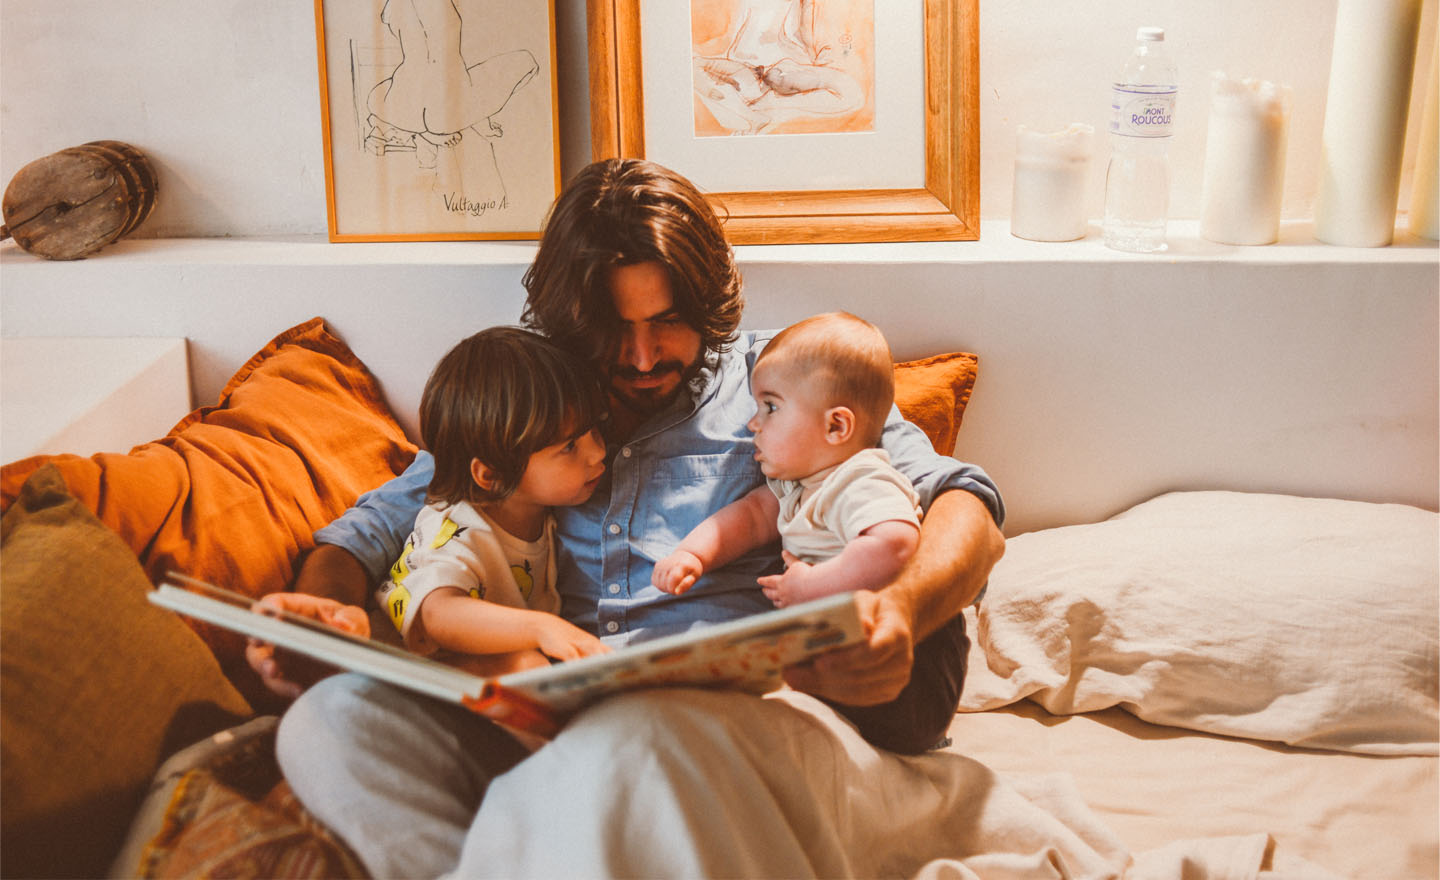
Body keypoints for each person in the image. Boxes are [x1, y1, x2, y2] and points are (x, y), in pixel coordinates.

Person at [259, 158, 1006, 879]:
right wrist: (326, 607)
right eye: (615, 329)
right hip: (544, 727)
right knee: (329, 722)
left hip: (724, 730)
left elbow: (966, 507)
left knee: (637, 742)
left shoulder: (787, 386)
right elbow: (366, 532)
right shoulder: (530, 401)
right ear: (571, 321)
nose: (644, 355)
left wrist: (902, 611)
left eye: (669, 322)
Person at [652, 311, 922, 609]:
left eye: (770, 407)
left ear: (836, 426)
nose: (753, 423)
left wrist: (813, 586)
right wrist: (692, 555)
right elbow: (751, 517)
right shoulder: (797, 486)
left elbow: (895, 545)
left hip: (869, 630)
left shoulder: (861, 481)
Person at [375, 327, 610, 666]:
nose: (598, 453)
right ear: (492, 475)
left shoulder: (542, 514)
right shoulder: (459, 526)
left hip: (466, 664)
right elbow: (438, 614)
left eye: (594, 430)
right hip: (407, 664)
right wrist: (543, 628)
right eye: (570, 446)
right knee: (529, 667)